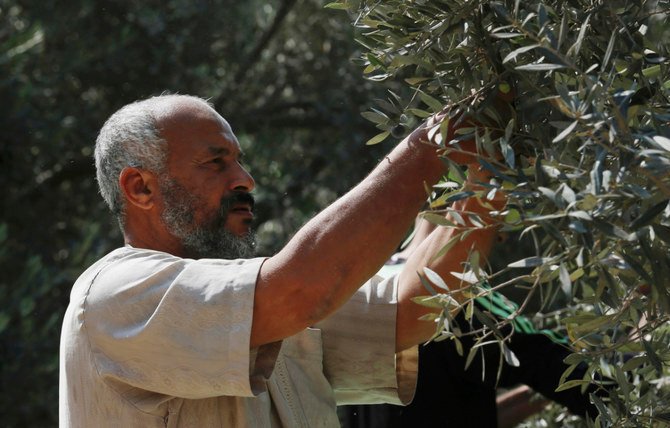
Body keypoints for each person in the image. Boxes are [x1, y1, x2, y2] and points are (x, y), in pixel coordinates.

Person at [59, 94, 505, 427]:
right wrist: (429, 149)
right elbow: (301, 291)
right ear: (140, 188)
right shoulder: (114, 295)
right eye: (216, 163)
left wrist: (487, 174)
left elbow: (411, 312)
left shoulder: (254, 305)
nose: (246, 180)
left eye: (239, 161)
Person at [339, 218, 604, 428]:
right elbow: (565, 373)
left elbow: (442, 408)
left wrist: (533, 397)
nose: (501, 237)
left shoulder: (362, 292)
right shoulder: (455, 299)